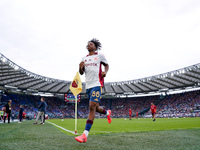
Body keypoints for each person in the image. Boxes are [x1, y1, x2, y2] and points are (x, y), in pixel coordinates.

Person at [75, 38, 111, 143]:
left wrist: (105, 71)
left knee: (91, 107)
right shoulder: (84, 58)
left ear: (95, 47)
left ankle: (84, 135)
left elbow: (107, 65)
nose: (88, 45)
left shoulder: (99, 56)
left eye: (91, 44)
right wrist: (80, 68)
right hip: (88, 86)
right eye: (88, 44)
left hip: (97, 84)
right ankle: (107, 113)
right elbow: (81, 73)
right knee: (96, 107)